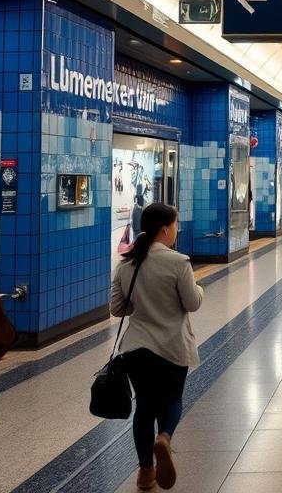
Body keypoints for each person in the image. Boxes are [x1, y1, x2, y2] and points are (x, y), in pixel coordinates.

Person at [111, 202, 204, 491]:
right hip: (171, 346)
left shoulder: (127, 263)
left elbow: (116, 308)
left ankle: (144, 473)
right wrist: (198, 288)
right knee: (172, 399)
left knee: (144, 408)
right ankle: (164, 438)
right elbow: (193, 302)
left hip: (137, 348)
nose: (177, 230)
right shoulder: (178, 262)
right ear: (165, 229)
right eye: (176, 225)